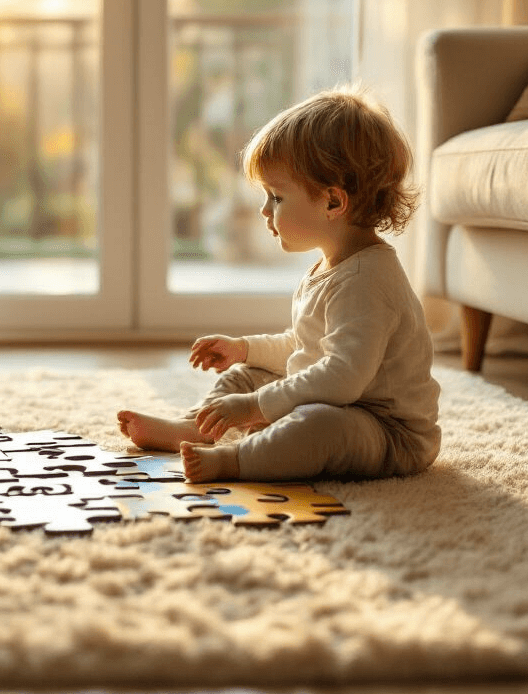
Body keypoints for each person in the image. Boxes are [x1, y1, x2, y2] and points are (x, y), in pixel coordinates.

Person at [118, 85, 440, 484]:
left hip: (385, 431)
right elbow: (305, 346)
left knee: (317, 426)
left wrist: (256, 407)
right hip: (341, 399)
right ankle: (195, 428)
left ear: (333, 202)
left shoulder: (367, 282)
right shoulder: (331, 265)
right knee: (245, 375)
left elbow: (341, 379)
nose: (264, 210)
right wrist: (244, 349)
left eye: (276, 197)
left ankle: (235, 459)